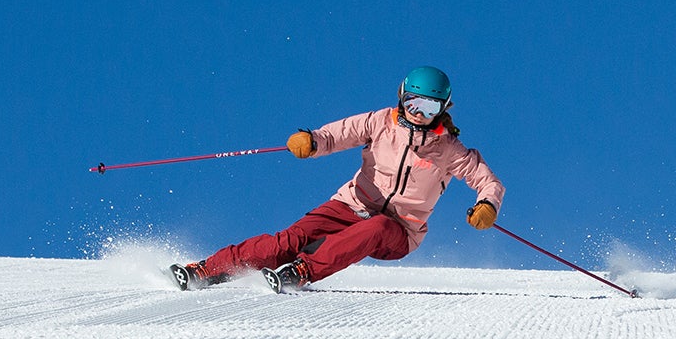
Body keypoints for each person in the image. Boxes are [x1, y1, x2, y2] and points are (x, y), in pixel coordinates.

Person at [172, 66, 505, 293]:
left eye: (429, 107)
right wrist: (312, 141)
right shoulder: (380, 122)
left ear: (443, 109)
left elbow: (487, 182)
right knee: (288, 240)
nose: (419, 113)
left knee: (377, 228)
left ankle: (303, 272)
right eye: (413, 102)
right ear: (402, 98)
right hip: (352, 205)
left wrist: (486, 205)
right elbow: (340, 133)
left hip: (399, 230)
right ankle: (205, 270)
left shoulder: (449, 149)